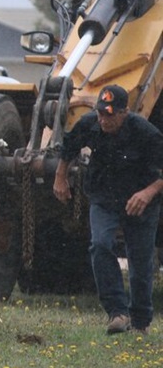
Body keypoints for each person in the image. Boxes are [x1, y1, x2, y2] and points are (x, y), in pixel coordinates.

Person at [53, 84, 163, 335]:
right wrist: (60, 177)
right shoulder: (90, 123)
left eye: (109, 115)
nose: (103, 119)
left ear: (124, 112)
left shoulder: (145, 133)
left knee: (140, 261)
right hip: (104, 196)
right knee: (100, 245)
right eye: (101, 113)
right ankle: (117, 312)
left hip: (140, 201)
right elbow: (68, 147)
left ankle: (140, 321)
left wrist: (147, 193)